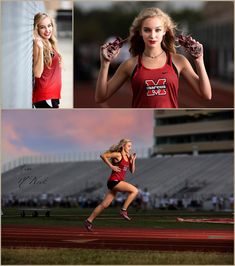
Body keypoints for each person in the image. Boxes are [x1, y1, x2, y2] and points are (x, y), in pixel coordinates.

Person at [95, 7, 212, 108]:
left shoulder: (179, 61)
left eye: (157, 30)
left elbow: (206, 94)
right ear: (140, 32)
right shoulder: (130, 64)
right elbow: (101, 97)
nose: (152, 35)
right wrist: (105, 63)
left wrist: (199, 60)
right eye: (147, 30)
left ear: (165, 31)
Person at [84, 139, 138, 232]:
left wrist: (133, 161)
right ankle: (123, 210)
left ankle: (89, 221)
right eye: (129, 146)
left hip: (117, 182)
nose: (130, 148)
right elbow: (103, 156)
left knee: (104, 205)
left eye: (131, 146)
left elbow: (132, 171)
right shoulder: (118, 155)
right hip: (114, 181)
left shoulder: (128, 157)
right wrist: (111, 166)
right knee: (135, 191)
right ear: (123, 146)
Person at [33, 13, 62, 108]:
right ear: (37, 29)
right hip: (45, 97)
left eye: (49, 26)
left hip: (53, 95)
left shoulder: (50, 42)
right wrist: (40, 49)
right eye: (42, 27)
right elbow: (37, 73)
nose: (47, 30)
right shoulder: (39, 44)